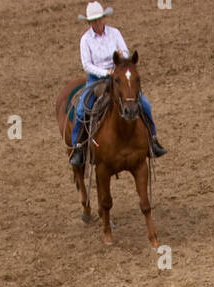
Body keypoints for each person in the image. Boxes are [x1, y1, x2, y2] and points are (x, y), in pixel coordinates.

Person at [70, 3, 166, 166]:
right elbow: (87, 65)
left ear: (103, 18)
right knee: (81, 109)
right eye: (93, 21)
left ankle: (152, 140)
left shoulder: (115, 33)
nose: (97, 23)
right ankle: (78, 147)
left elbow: (126, 52)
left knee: (145, 105)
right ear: (89, 23)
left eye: (99, 19)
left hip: (119, 75)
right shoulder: (85, 40)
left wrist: (122, 56)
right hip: (97, 79)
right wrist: (106, 73)